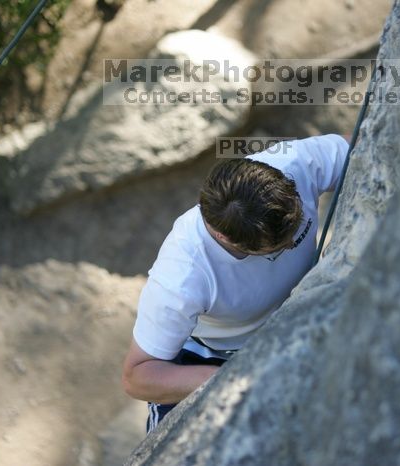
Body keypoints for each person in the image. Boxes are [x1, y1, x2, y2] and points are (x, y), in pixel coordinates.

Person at [122, 134, 349, 432]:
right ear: (225, 238)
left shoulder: (293, 163)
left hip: (298, 316)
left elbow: (366, 141)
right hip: (213, 357)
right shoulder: (182, 276)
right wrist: (239, 379)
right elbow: (138, 376)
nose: (294, 241)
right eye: (279, 245)